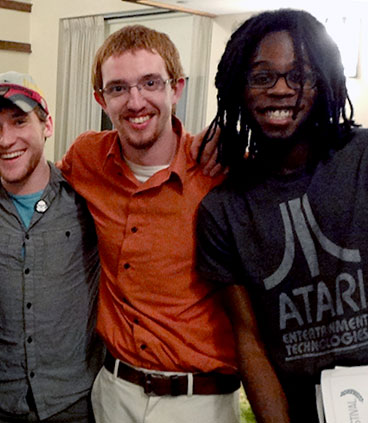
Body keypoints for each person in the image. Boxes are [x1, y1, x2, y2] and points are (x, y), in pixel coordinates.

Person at [57, 25, 239, 423]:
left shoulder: (219, 169)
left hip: (200, 403)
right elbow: (34, 182)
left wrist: (238, 136)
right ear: (101, 99)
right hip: (113, 393)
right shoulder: (87, 157)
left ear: (176, 89)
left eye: (150, 83)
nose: (135, 102)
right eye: (118, 88)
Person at [195, 9, 365, 423]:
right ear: (239, 87)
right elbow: (249, 340)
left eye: (299, 75)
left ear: (322, 82)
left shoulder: (362, 158)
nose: (281, 90)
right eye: (262, 77)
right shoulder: (224, 209)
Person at [0, 72, 102, 422]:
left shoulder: (89, 197)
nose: (6, 139)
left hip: (76, 403)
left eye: (19, 121)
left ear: (47, 125)